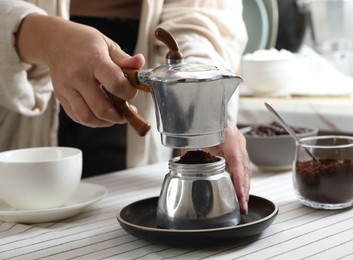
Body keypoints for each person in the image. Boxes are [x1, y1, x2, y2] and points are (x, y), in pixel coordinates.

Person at [0, 0, 251, 214]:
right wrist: (46, 37)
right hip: (22, 85)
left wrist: (199, 96)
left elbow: (200, 15)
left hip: (137, 94)